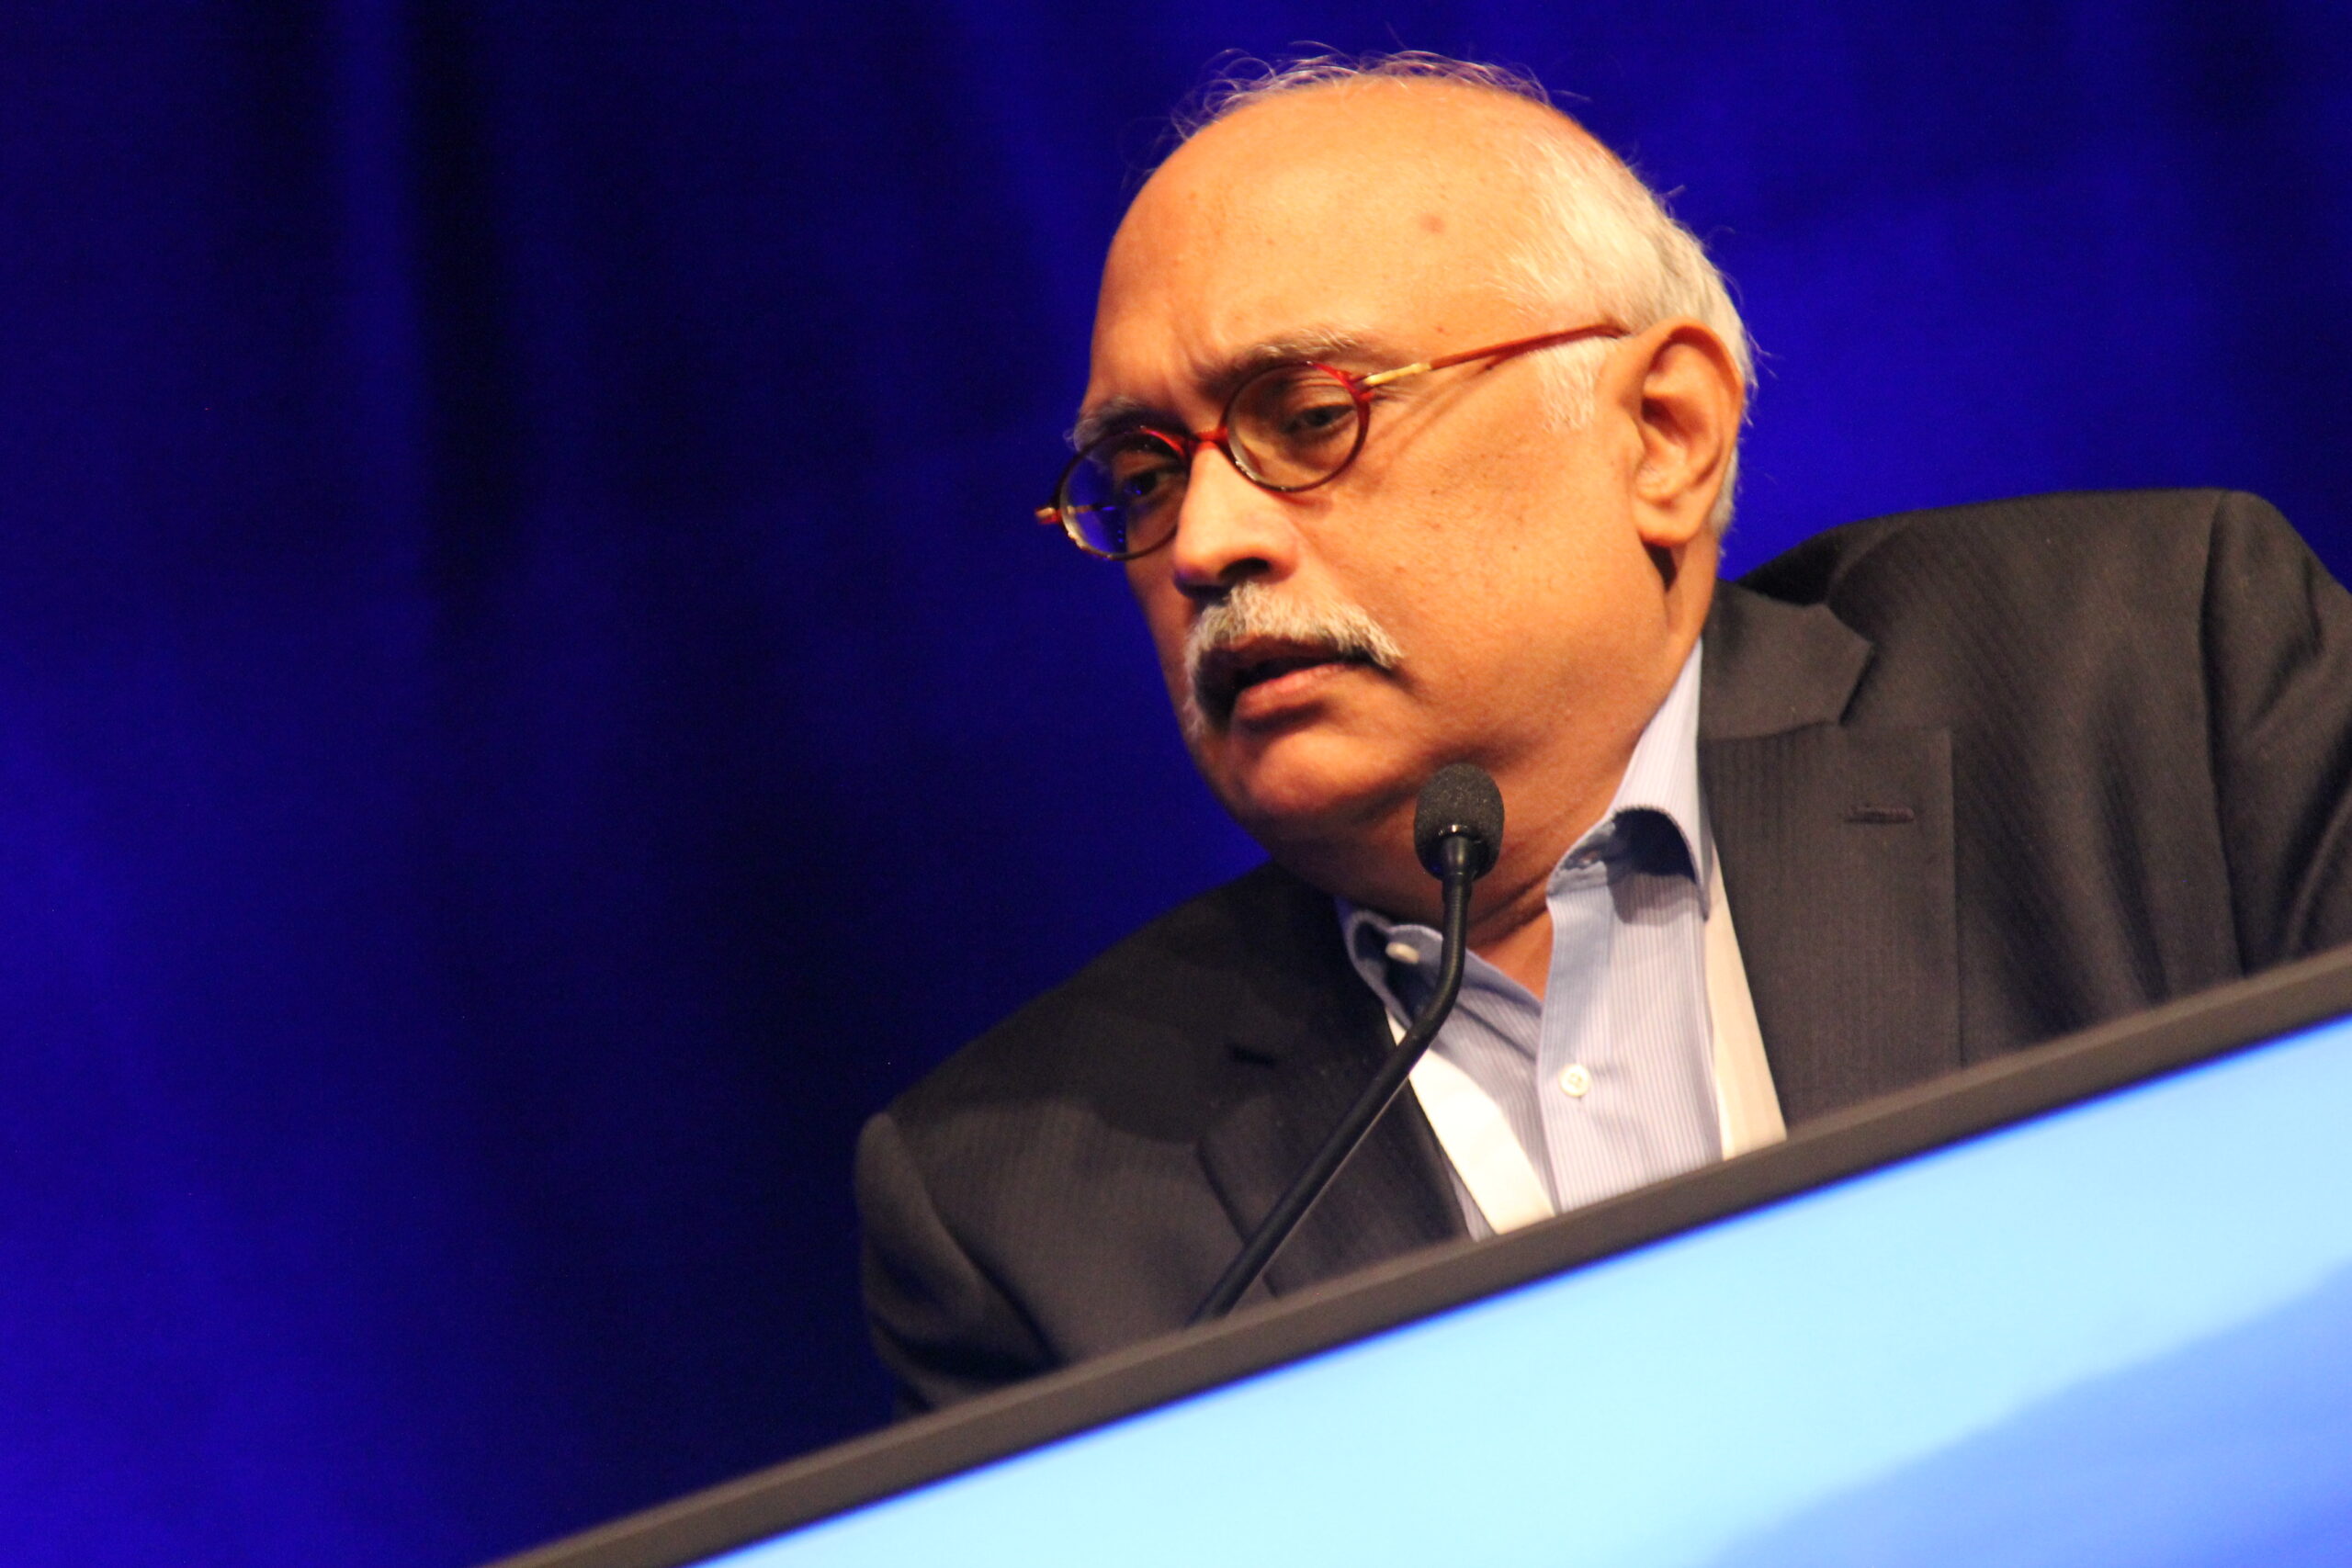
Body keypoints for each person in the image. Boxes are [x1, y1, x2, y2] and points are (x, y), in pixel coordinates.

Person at [854, 54, 2352, 1414]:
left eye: (1308, 417)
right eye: (1143, 474)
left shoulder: (2150, 687)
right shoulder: (1022, 1206)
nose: (1204, 544)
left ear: (1662, 436)